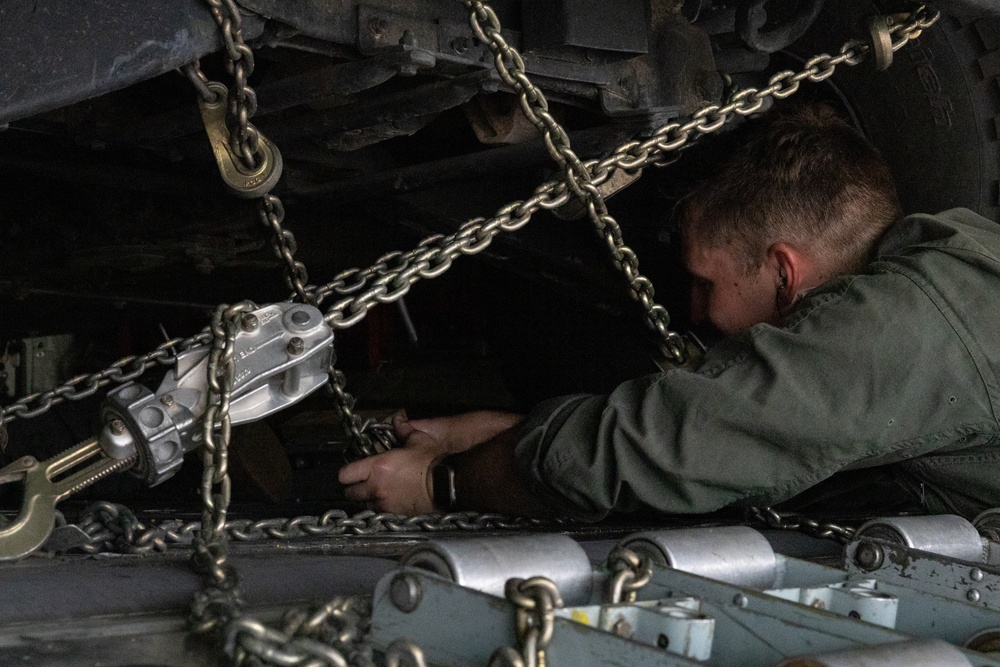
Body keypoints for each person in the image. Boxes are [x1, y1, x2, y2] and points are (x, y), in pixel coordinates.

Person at [338, 104, 1000, 522]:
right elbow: (767, 447)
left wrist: (442, 483)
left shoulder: (905, 325)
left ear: (785, 272)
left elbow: (666, 445)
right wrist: (510, 435)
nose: (695, 308)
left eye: (706, 282)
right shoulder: (953, 258)